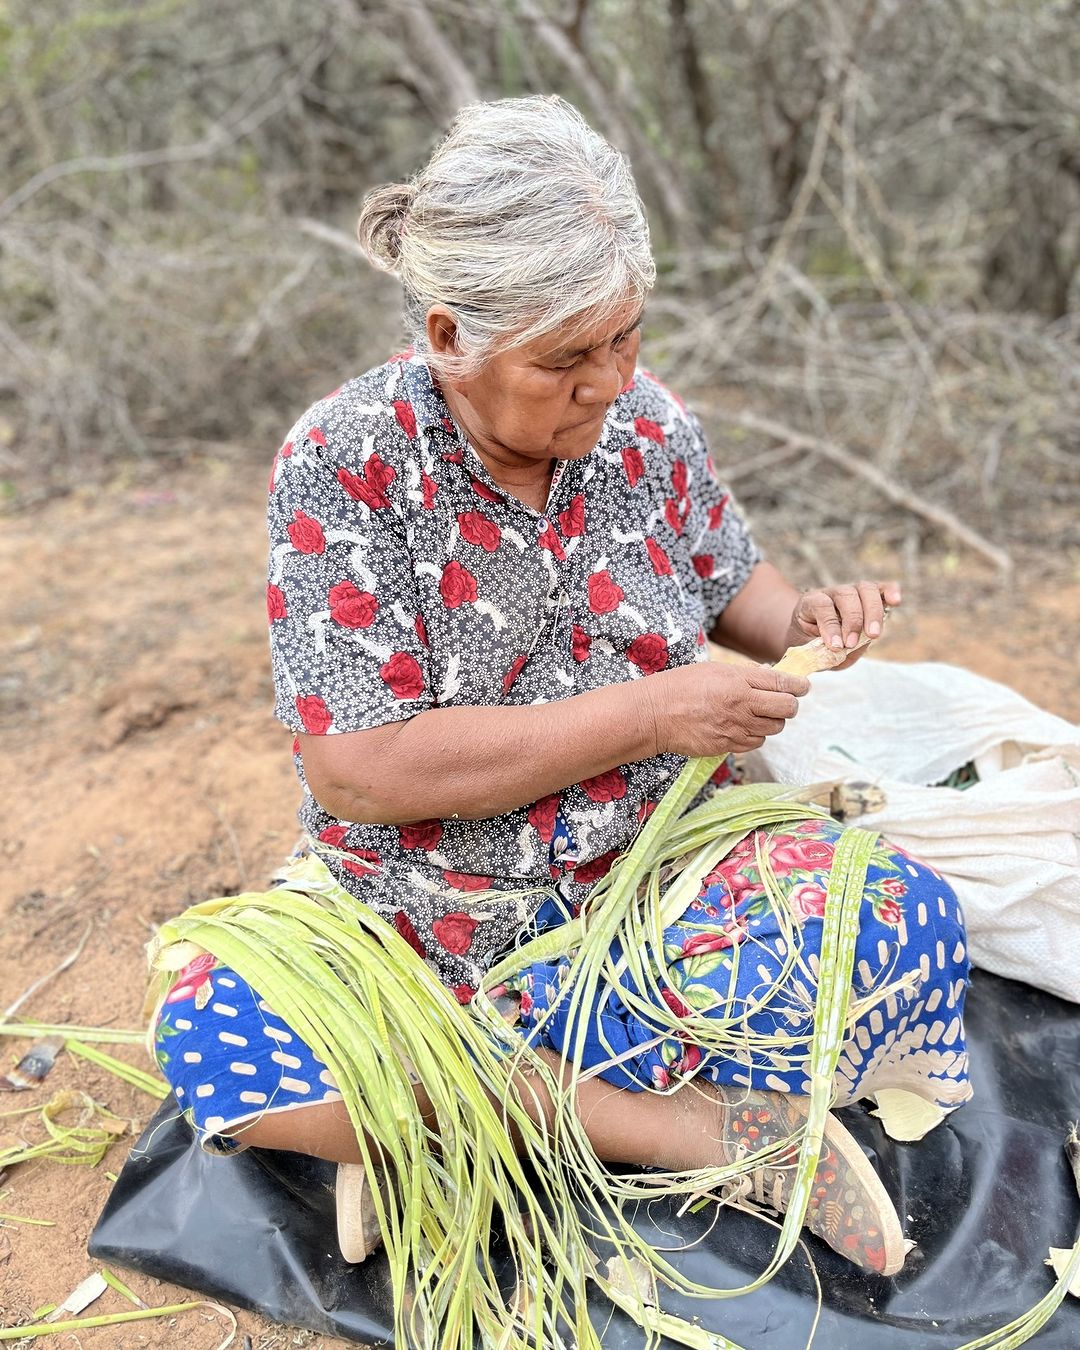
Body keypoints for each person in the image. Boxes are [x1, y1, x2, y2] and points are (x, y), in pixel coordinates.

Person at [152, 96, 970, 1297]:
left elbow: (735, 585)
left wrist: (805, 625)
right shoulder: (345, 466)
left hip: (653, 882)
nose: (610, 383)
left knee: (899, 922)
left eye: (627, 339)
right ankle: (675, 1128)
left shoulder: (646, 425)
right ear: (448, 334)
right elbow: (357, 771)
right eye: (565, 360)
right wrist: (653, 711)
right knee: (206, 1034)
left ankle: (422, 1109)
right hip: (424, 921)